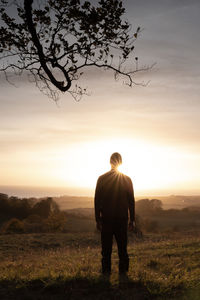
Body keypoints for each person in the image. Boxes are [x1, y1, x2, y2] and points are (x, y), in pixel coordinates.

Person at [94, 152, 135, 275]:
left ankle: (106, 272)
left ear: (110, 162)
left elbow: (97, 200)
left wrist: (97, 219)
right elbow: (131, 201)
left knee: (106, 249)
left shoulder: (101, 179)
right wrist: (132, 220)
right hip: (122, 219)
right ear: (120, 162)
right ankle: (123, 272)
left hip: (106, 219)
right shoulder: (127, 179)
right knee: (122, 247)